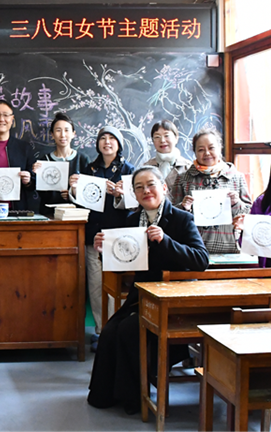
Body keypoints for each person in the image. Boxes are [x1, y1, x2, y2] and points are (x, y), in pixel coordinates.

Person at [87, 166, 208, 415]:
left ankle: (135, 396)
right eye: (139, 187)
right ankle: (108, 395)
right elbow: (123, 264)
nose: (146, 191)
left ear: (163, 187)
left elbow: (201, 260)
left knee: (130, 330)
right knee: (110, 331)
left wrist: (166, 240)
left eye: (151, 184)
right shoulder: (132, 221)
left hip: (173, 298)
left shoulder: (181, 219)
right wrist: (104, 252)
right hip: (142, 297)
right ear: (134, 194)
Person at [69, 126, 134, 342]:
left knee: (117, 285)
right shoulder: (89, 169)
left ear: (119, 144)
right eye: (103, 138)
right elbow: (80, 202)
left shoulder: (128, 170)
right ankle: (100, 330)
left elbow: (134, 205)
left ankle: (118, 331)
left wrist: (120, 195)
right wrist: (74, 189)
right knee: (96, 285)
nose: (107, 142)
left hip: (120, 236)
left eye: (112, 138)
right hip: (93, 234)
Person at [170, 128, 252, 254]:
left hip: (230, 247)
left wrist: (236, 203)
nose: (207, 153)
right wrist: (183, 207)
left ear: (220, 148)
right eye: (201, 150)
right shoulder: (183, 179)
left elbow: (249, 213)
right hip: (194, 249)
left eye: (211, 148)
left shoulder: (236, 177)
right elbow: (171, 216)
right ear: (195, 152)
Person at [32, 112, 90, 216]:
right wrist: (37, 176)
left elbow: (89, 192)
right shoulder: (44, 161)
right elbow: (40, 194)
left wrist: (72, 194)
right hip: (49, 215)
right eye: (58, 130)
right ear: (52, 134)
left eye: (67, 130)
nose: (63, 135)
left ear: (73, 134)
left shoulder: (82, 159)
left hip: (76, 216)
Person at [142, 119, 191, 190]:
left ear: (176, 138)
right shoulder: (146, 168)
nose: (162, 140)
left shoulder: (188, 167)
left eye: (166, 135)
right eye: (157, 137)